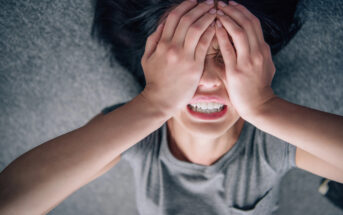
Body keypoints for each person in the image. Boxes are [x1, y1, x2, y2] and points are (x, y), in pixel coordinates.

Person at [0, 0, 342, 215]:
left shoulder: (271, 141)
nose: (208, 79)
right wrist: (153, 103)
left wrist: (266, 107)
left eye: (228, 57)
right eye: (189, 60)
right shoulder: (137, 133)